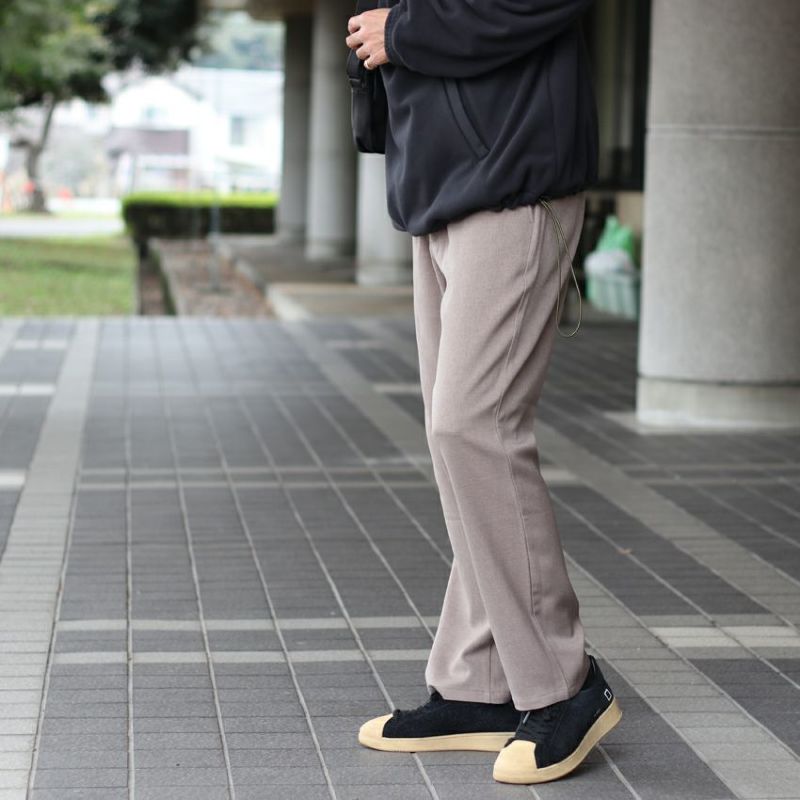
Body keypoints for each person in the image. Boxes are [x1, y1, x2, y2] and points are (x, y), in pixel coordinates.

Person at [345, 0, 622, 785]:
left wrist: (402, 32)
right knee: (458, 440)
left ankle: (565, 683)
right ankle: (477, 683)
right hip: (443, 185)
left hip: (513, 179)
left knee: (473, 427)